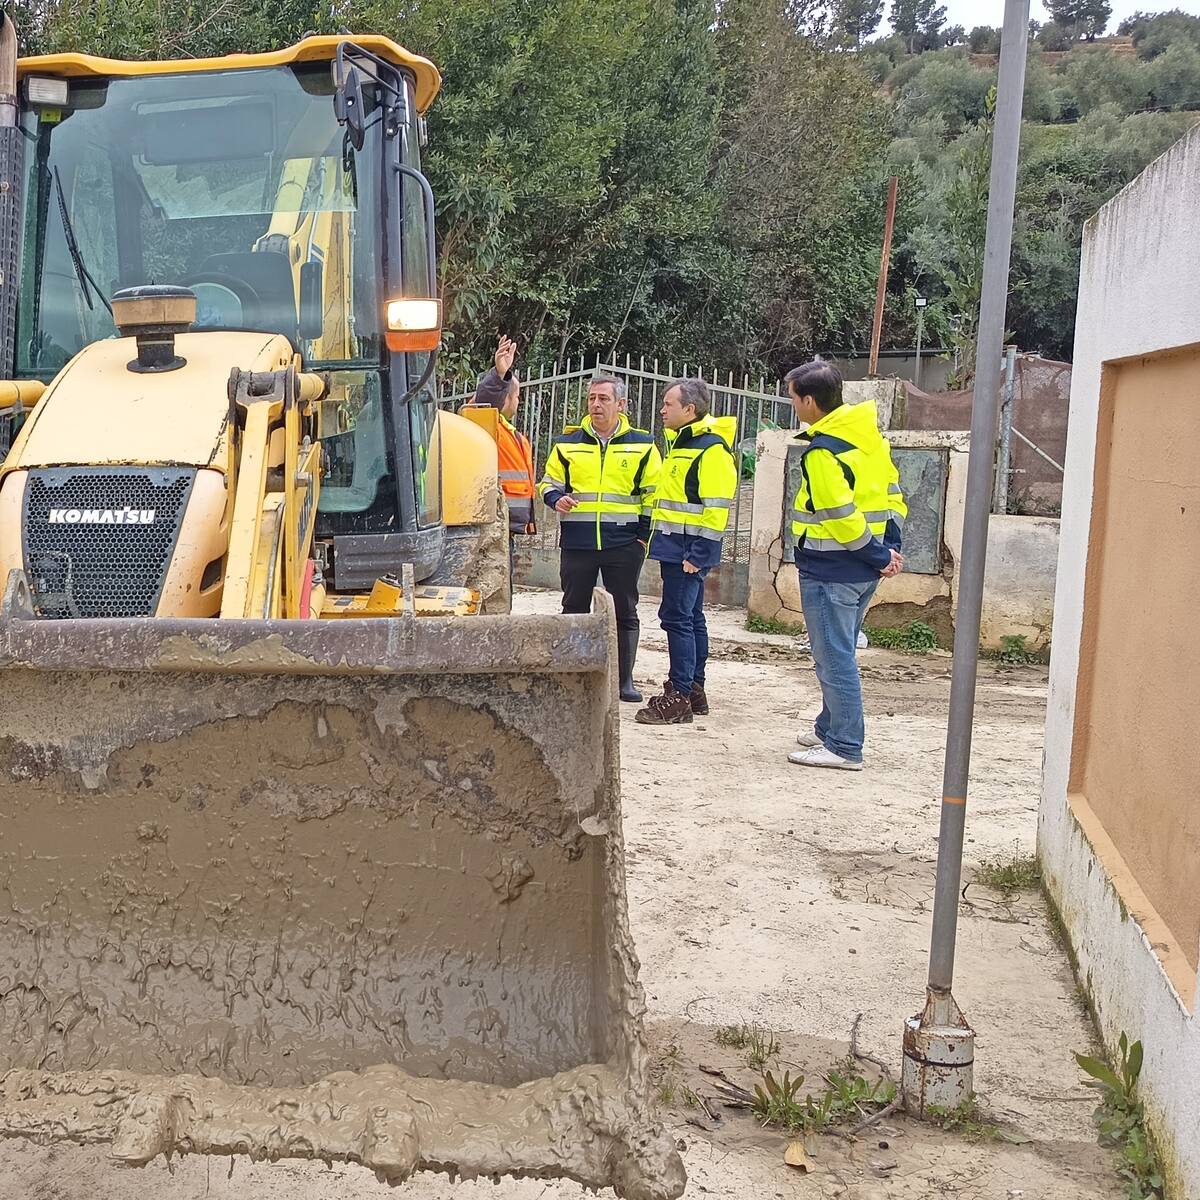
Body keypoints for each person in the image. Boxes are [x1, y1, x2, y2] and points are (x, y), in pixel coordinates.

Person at [785, 361, 906, 770]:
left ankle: (845, 746)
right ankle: (829, 727)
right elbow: (892, 493)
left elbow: (840, 515)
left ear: (810, 401)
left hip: (831, 570)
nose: (792, 404)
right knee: (840, 650)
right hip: (863, 570)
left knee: (833, 656)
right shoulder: (866, 438)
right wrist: (888, 549)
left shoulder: (823, 452)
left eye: (793, 397)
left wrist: (876, 554)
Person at [538, 374, 661, 702]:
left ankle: (623, 681)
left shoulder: (644, 445)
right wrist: (555, 499)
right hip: (578, 543)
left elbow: (653, 495)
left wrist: (643, 540)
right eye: (592, 398)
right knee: (574, 607)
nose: (595, 404)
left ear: (621, 405)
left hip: (624, 543)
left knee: (624, 610)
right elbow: (548, 482)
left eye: (604, 399)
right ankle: (573, 676)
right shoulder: (567, 443)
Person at [636, 378, 738, 726]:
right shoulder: (682, 445)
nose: (662, 410)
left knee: (677, 618)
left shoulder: (710, 451)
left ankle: (678, 696)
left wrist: (699, 553)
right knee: (690, 617)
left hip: (687, 551)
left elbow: (716, 509)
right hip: (676, 547)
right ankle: (693, 689)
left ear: (689, 410)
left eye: (668, 404)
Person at [467, 336, 536, 568]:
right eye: (517, 396)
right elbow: (483, 403)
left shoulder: (512, 435)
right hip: (491, 522)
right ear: (506, 397)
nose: (519, 402)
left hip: (506, 524)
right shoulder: (489, 427)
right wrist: (500, 376)